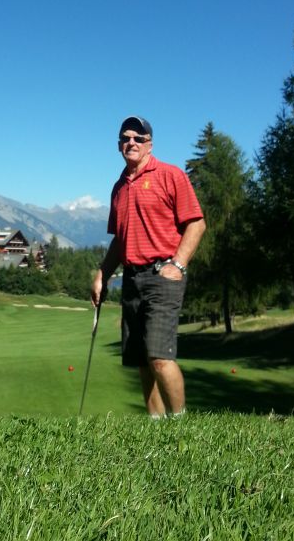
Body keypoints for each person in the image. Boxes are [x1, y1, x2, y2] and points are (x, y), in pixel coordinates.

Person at [91, 116, 205, 417]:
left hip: (163, 275)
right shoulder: (119, 187)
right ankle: (155, 428)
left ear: (149, 144)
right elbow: (120, 238)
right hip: (131, 278)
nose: (132, 142)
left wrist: (178, 265)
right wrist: (102, 274)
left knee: (159, 356)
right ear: (118, 145)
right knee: (141, 359)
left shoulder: (171, 175)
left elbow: (196, 223)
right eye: (126, 138)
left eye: (138, 138)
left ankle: (181, 425)